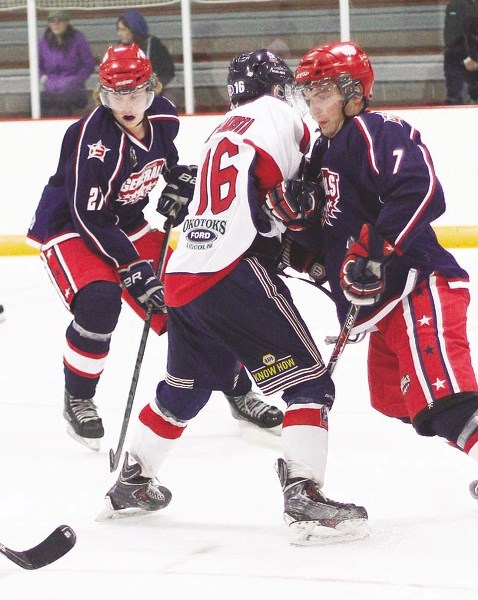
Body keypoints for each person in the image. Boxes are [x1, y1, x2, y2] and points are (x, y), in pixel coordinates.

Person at [290, 40, 478, 552]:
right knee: (399, 402)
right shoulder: (321, 154)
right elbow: (325, 244)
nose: (313, 105)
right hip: (385, 308)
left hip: (419, 287)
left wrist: (374, 255)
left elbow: (421, 189)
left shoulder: (375, 131)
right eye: (308, 94)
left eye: (322, 92)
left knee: (446, 404)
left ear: (352, 93)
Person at [98, 49, 368, 546]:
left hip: (182, 277)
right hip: (232, 272)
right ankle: (304, 496)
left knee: (186, 388)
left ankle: (134, 481)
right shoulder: (282, 116)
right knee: (309, 382)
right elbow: (316, 178)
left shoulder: (221, 129)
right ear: (279, 87)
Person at [26, 43, 282, 451]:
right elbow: (87, 215)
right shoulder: (92, 138)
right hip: (70, 229)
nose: (127, 104)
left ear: (152, 89)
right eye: (116, 96)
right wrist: (132, 267)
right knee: (99, 299)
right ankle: (79, 397)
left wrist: (182, 182)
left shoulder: (163, 117)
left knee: (193, 303)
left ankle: (235, 386)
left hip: (127, 225)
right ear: (103, 96)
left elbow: (168, 163)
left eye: (136, 94)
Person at [38, 10, 96, 117]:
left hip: (74, 90)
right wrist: (44, 79)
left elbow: (89, 64)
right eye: (52, 21)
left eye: (60, 21)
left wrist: (75, 80)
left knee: (63, 102)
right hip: (51, 88)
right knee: (39, 101)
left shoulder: (78, 39)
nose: (56, 24)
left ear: (67, 22)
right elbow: (38, 65)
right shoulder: (43, 41)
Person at [443, 0, 478, 104]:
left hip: (473, 56)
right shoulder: (457, 6)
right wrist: (466, 59)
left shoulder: (476, 5)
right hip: (464, 58)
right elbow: (452, 39)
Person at [116, 10, 175, 89]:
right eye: (119, 30)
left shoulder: (154, 45)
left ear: (134, 30)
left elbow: (167, 72)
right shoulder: (120, 47)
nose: (119, 34)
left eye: (123, 30)